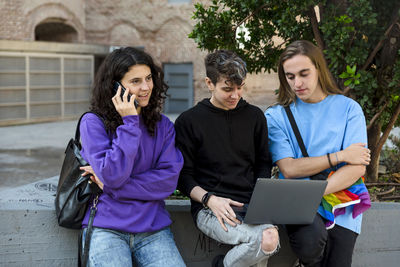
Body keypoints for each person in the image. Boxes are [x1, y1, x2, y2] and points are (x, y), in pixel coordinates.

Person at [265, 40, 371, 267]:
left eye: (304, 73)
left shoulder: (349, 109)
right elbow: (289, 168)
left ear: (319, 70)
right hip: (295, 201)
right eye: (290, 76)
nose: (297, 83)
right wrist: (339, 156)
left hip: (342, 203)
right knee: (310, 242)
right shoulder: (276, 116)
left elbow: (358, 167)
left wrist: (315, 191)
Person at [77, 47, 186, 267]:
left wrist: (109, 188)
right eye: (135, 81)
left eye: (148, 78)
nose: (146, 87)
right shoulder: (92, 123)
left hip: (153, 228)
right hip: (106, 228)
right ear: (115, 86)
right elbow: (114, 175)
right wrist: (130, 122)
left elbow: (167, 183)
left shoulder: (163, 126)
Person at [175, 50, 279, 267]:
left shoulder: (255, 117)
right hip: (209, 207)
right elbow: (183, 177)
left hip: (252, 204)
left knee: (269, 239)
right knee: (261, 241)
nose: (235, 95)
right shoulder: (189, 121)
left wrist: (261, 201)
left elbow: (262, 163)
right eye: (227, 89)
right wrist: (209, 199)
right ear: (209, 83)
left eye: (240, 88)